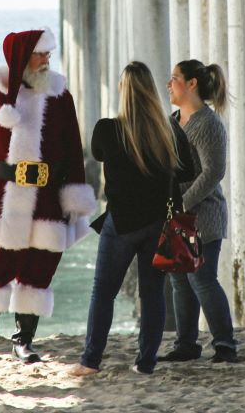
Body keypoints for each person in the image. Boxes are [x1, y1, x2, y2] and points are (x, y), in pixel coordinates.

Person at [0, 27, 97, 365]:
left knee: (38, 270)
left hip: (46, 199)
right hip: (0, 198)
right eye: (40, 54)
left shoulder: (60, 96)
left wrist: (74, 201)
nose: (46, 60)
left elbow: (73, 151)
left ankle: (23, 341)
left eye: (48, 54)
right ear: (22, 58)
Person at [69, 62, 195, 377]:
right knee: (152, 293)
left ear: (123, 91)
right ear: (151, 92)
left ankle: (90, 361)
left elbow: (96, 154)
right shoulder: (169, 130)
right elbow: (188, 171)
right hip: (158, 223)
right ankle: (146, 362)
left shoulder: (108, 129)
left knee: (103, 291)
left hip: (122, 224)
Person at [160, 59, 239, 363]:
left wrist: (182, 203)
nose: (169, 84)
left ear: (192, 83)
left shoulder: (207, 122)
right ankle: (186, 345)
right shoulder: (172, 120)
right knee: (180, 279)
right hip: (176, 214)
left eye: (174, 78)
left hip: (203, 215)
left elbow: (213, 172)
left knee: (202, 279)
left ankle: (225, 345)